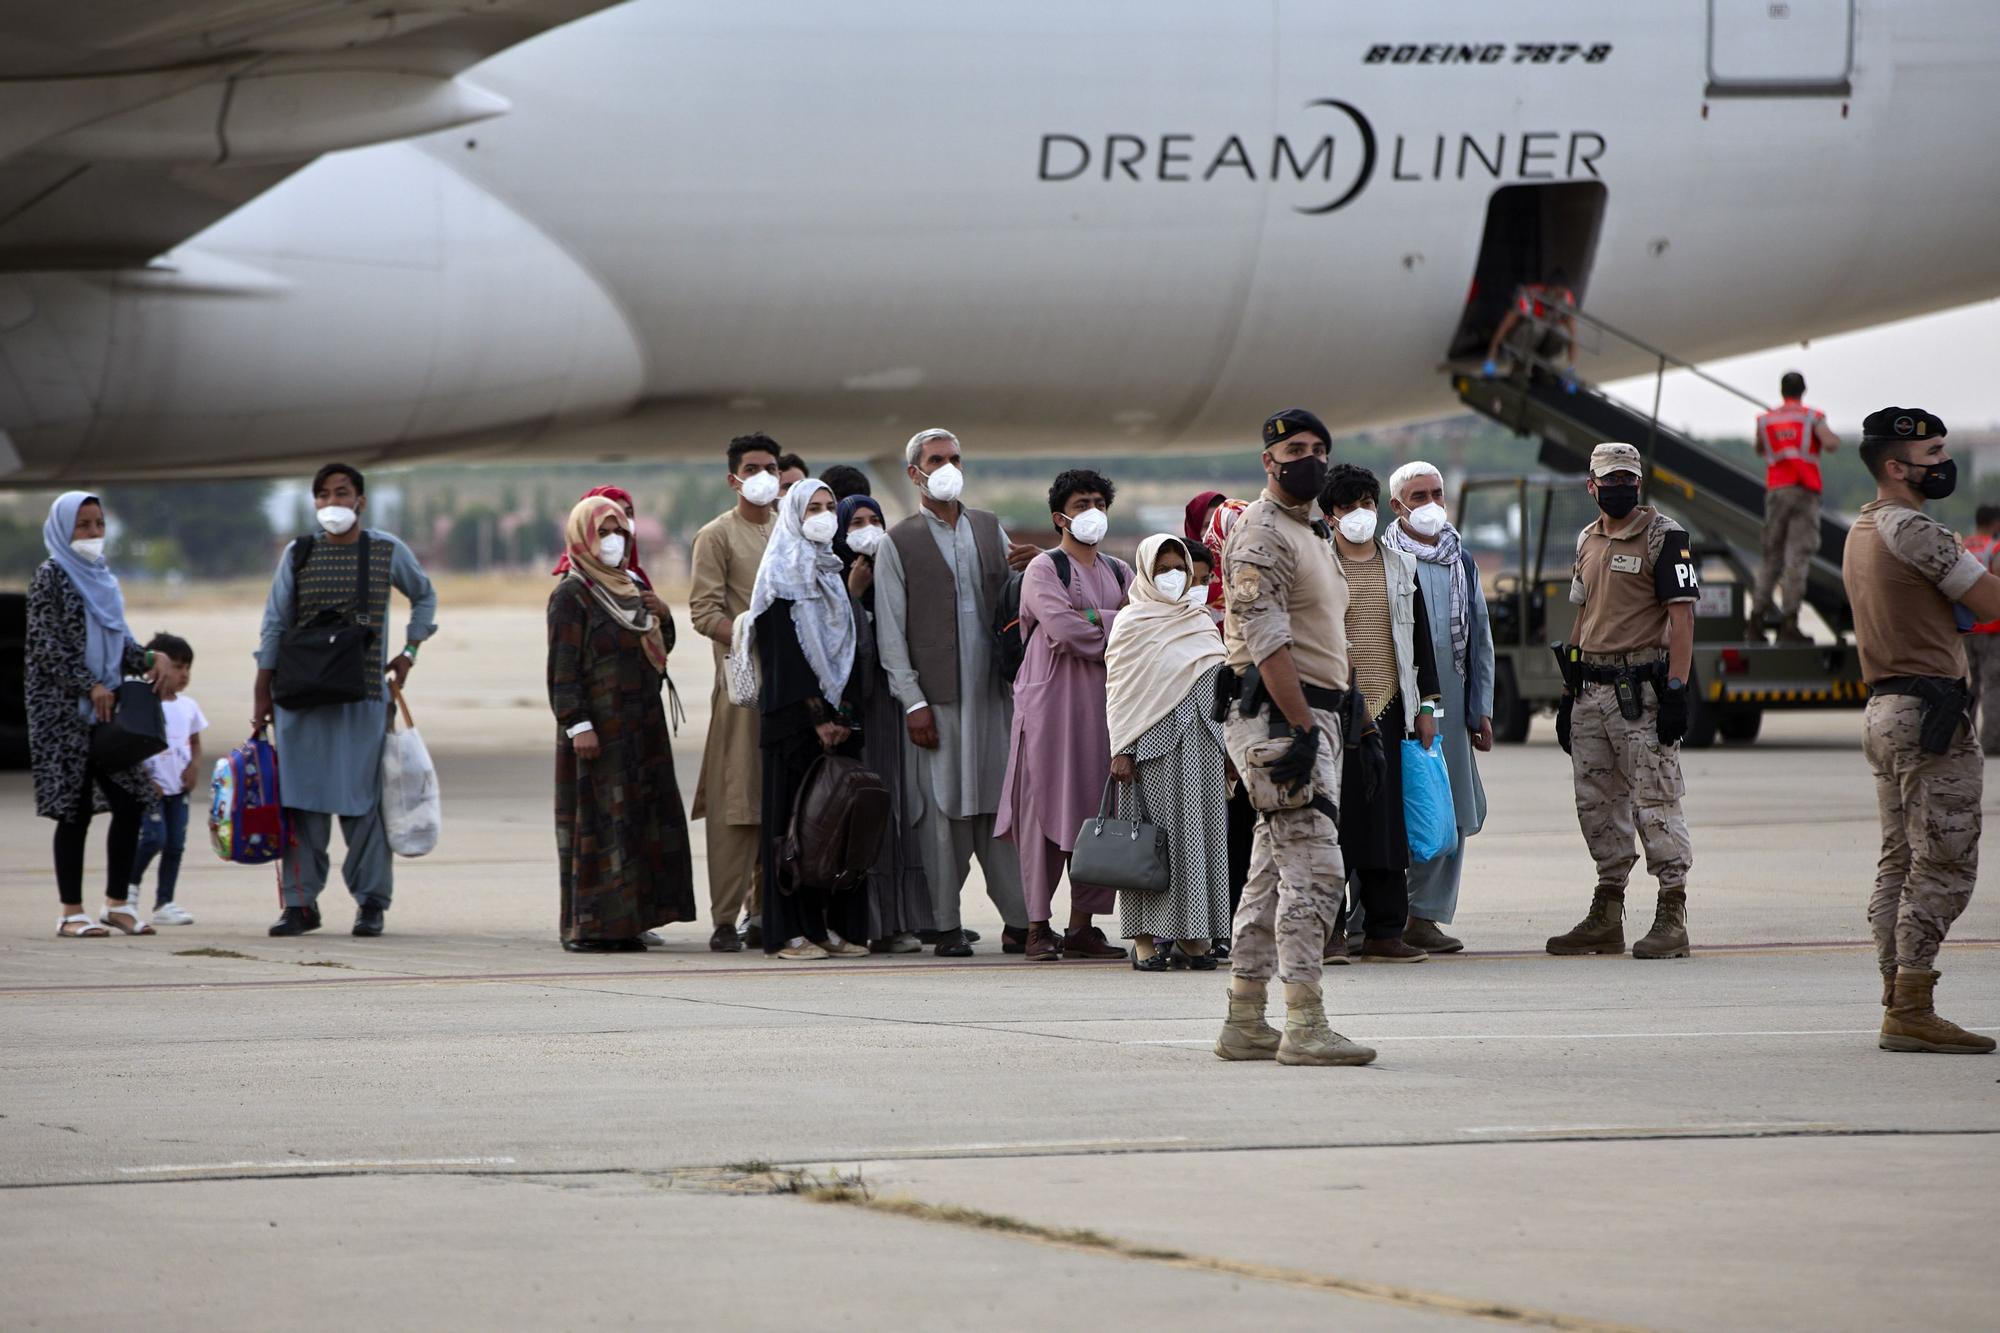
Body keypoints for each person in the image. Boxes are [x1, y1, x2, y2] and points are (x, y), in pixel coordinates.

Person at [1212, 408, 1376, 1068]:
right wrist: (1306, 727)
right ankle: (1304, 1020)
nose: (1305, 457)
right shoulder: (1261, 536)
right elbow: (1267, 639)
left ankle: (1245, 1018)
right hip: (1284, 720)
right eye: (1292, 448)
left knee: (1270, 872)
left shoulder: (1309, 530)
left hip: (1316, 716)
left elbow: (1326, 633)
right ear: (1268, 461)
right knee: (1315, 867)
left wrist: (1348, 718)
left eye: (1316, 448)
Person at [1843, 407, 2000, 1054]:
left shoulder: (1864, 526)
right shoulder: (1914, 529)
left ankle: (1894, 989)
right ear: (1895, 465)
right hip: (1928, 712)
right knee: (1944, 857)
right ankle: (1912, 1002)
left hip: (1888, 706)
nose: (1942, 463)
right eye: (1932, 453)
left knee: (1899, 859)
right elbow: (1991, 602)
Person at [254, 464, 437, 938]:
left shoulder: (385, 550)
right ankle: (300, 903)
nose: (333, 502)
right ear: (313, 502)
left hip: (362, 697)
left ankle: (371, 902)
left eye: (343, 492)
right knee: (302, 804)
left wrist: (410, 651)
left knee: (363, 805)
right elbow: (274, 623)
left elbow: (424, 596)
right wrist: (261, 692)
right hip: (300, 697)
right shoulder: (298, 553)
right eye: (323, 494)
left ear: (361, 501)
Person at [874, 427, 1031, 956]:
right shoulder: (898, 542)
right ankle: (942, 924)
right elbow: (890, 634)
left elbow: (1016, 601)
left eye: (954, 458)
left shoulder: (989, 528)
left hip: (994, 700)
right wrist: (913, 702)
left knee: (1000, 811)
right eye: (936, 459)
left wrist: (1038, 569)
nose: (947, 466)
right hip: (936, 707)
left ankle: (1022, 921)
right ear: (914, 472)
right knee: (939, 816)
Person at [1546, 443, 1698, 961]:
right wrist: (1569, 694)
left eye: (1627, 480)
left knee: (1654, 800)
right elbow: (1581, 615)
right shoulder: (1587, 540)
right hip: (1591, 690)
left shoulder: (1664, 535)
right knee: (1596, 803)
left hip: (1642, 694)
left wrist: (1677, 689)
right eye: (1609, 480)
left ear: (1639, 483)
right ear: (1592, 486)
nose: (1619, 488)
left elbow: (1682, 618)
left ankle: (1671, 912)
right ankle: (1607, 912)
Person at [547, 495, 696, 952]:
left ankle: (631, 920)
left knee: (639, 822)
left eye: (619, 532)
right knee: (600, 825)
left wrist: (663, 614)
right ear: (583, 537)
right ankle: (591, 926)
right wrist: (578, 725)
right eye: (603, 532)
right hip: (600, 730)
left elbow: (657, 649)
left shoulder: (630, 585)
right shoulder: (573, 593)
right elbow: (563, 669)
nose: (613, 541)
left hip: (641, 727)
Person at [997, 469, 1131, 962]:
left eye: (1099, 501)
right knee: (1042, 814)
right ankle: (1037, 925)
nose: (1092, 510)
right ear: (1060, 516)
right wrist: (1111, 625)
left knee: (1099, 814)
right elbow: (1062, 630)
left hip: (1107, 708)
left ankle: (1082, 927)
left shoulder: (1119, 570)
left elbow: (1144, 621)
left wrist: (1097, 619)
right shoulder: (1044, 569)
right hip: (1050, 708)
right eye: (1082, 503)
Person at [27, 492, 165, 938]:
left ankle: (117, 904)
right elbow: (48, 647)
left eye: (98, 524)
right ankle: (71, 912)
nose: (92, 534)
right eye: (82, 525)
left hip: (107, 711)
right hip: (62, 712)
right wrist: (88, 684)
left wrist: (148, 659)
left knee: (131, 801)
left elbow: (119, 642)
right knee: (75, 810)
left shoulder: (103, 578)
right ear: (63, 530)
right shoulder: (50, 577)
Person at [1319, 465, 1437, 964]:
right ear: (1330, 517)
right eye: (1349, 506)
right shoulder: (1317, 567)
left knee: (1387, 823)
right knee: (1332, 821)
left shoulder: (1402, 565)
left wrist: (1428, 706)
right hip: (1333, 711)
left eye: (1368, 502)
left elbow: (1421, 644)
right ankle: (1329, 933)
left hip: (1391, 710)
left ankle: (1386, 932)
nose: (1361, 513)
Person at [751, 479, 871, 960]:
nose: (822, 516)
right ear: (794, 515)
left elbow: (844, 650)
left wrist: (842, 714)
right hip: (793, 723)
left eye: (828, 508)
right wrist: (817, 715)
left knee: (831, 827)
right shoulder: (780, 573)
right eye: (812, 509)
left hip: (836, 721)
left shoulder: (831, 571)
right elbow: (785, 654)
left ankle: (826, 927)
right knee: (791, 830)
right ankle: (789, 932)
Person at [1383, 461, 1495, 953]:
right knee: (1393, 808)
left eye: (1436, 493)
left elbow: (1480, 642)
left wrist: (1481, 709)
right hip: (1395, 700)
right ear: (1396, 505)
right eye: (1418, 494)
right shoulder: (1381, 558)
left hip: (1450, 703)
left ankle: (1425, 916)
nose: (1429, 503)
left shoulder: (1461, 560)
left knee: (1449, 808)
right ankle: (1379, 917)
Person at [1106, 534, 1231, 970]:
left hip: (1204, 743)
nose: (1174, 576)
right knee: (1149, 846)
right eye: (1163, 569)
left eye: (1180, 567)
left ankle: (1193, 935)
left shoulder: (1197, 619)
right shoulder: (1132, 622)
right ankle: (1143, 939)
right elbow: (1119, 691)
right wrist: (1121, 749)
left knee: (1201, 840)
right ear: (1145, 572)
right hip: (1152, 747)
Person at [689, 434, 782, 951]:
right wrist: (754, 637)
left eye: (770, 466)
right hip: (742, 690)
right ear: (734, 478)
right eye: (753, 467)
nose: (763, 475)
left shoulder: (787, 531)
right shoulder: (716, 535)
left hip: (791, 688)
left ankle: (766, 911)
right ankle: (725, 917)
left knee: (778, 802)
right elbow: (704, 613)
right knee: (737, 801)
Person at [835, 492, 934, 951]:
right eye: (856, 521)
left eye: (875, 519)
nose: (868, 528)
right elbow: (834, 649)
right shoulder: (831, 579)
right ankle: (865, 923)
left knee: (902, 813)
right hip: (858, 716)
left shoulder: (896, 577)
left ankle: (902, 920)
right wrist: (851, 596)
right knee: (864, 814)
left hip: (896, 709)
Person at [1748, 371, 1839, 642]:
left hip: (1776, 491)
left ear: (1781, 391)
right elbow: (1831, 443)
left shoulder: (1766, 420)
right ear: (1804, 390)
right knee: (1795, 559)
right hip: (1804, 492)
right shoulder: (1812, 417)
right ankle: (1789, 624)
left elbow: (1758, 448)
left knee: (1771, 557)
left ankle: (1755, 621)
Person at [129, 633, 206, 926]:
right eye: (176, 666)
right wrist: (145, 781)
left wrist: (194, 768)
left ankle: (165, 902)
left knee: (175, 845)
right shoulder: (142, 704)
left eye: (187, 667)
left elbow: (195, 743)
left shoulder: (188, 707)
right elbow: (132, 748)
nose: (183, 674)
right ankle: (128, 889)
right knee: (152, 839)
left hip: (178, 790)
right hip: (152, 790)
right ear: (153, 667)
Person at [1482, 268, 1578, 386]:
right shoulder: (1529, 296)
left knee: (1562, 332)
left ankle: (1540, 369)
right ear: (1548, 289)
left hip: (1543, 341)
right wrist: (1490, 358)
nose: (1558, 298)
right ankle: (1519, 369)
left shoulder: (1566, 301)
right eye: (1556, 294)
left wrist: (1571, 368)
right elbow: (1505, 326)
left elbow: (1572, 336)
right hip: (1520, 338)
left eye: (1561, 294)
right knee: (1537, 328)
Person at [1960, 505, 2000, 755]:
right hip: (1993, 629)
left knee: (1968, 685)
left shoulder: (1961, 546)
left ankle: (1964, 739)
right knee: (1994, 685)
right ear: (1995, 524)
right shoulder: (1994, 548)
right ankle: (1993, 741)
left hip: (1967, 629)